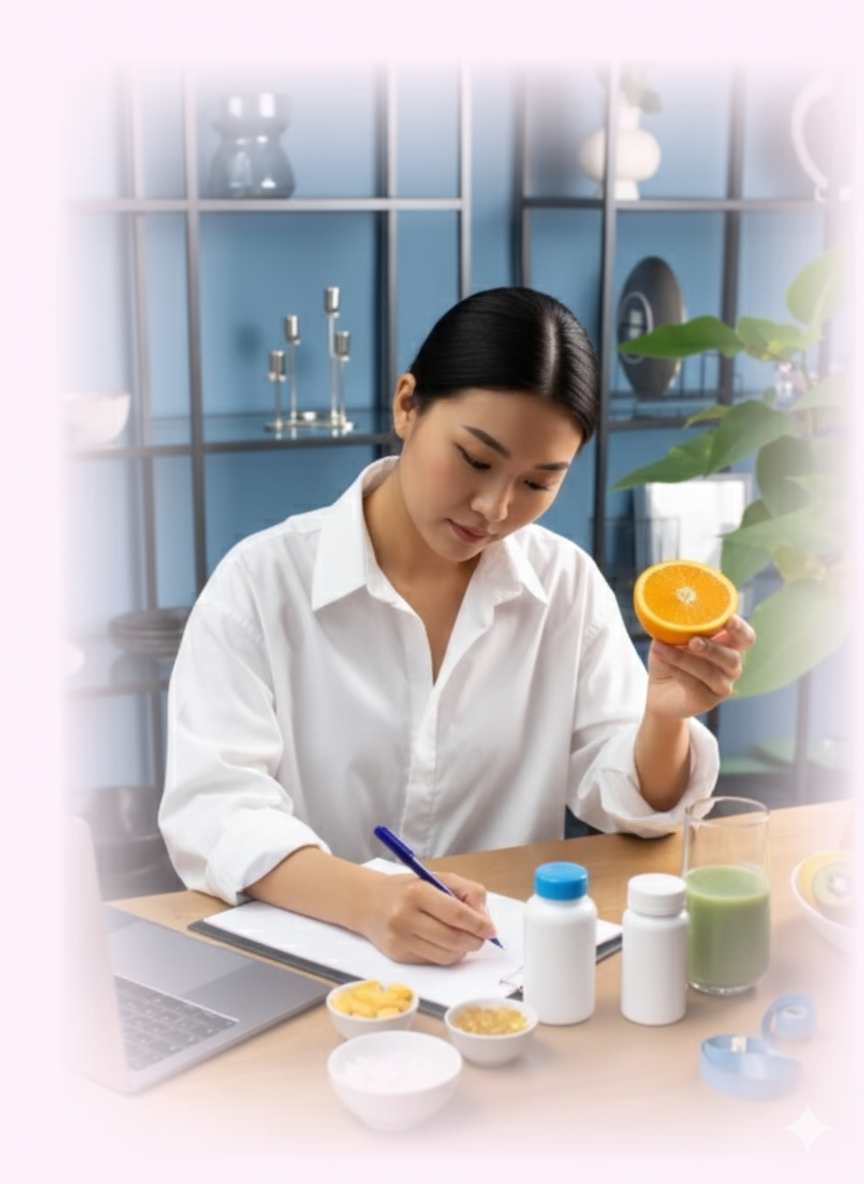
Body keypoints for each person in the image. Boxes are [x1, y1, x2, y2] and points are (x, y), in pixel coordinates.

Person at [160, 287, 755, 967]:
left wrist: (665, 718)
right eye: (475, 460)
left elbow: (629, 800)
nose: (493, 506)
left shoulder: (564, 585)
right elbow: (214, 814)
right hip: (306, 966)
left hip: (496, 974)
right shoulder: (261, 585)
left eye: (538, 483)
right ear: (407, 404)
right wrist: (369, 902)